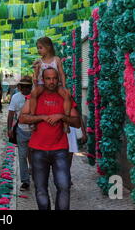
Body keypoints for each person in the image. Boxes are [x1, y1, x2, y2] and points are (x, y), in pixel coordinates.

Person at [20, 67, 81, 210]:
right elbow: (22, 118)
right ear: (43, 80)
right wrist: (41, 117)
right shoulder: (34, 97)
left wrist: (61, 116)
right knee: (41, 189)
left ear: (58, 79)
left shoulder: (64, 97)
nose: (51, 81)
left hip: (60, 150)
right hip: (38, 150)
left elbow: (77, 122)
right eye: (48, 78)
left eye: (54, 78)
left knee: (64, 187)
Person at [30, 37, 71, 134]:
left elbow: (61, 74)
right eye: (38, 48)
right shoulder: (39, 61)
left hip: (56, 84)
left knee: (67, 96)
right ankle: (33, 119)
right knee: (33, 94)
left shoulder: (56, 59)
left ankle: (66, 122)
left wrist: (64, 86)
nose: (38, 50)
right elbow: (35, 78)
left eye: (40, 48)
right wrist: (35, 71)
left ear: (48, 47)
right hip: (42, 84)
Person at [7, 76, 33, 191]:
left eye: (28, 86)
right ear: (20, 87)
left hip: (35, 131)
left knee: (35, 156)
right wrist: (9, 129)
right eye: (23, 86)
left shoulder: (36, 96)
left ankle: (35, 174)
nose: (26, 88)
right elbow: (11, 114)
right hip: (21, 131)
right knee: (22, 156)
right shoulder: (15, 98)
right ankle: (25, 181)